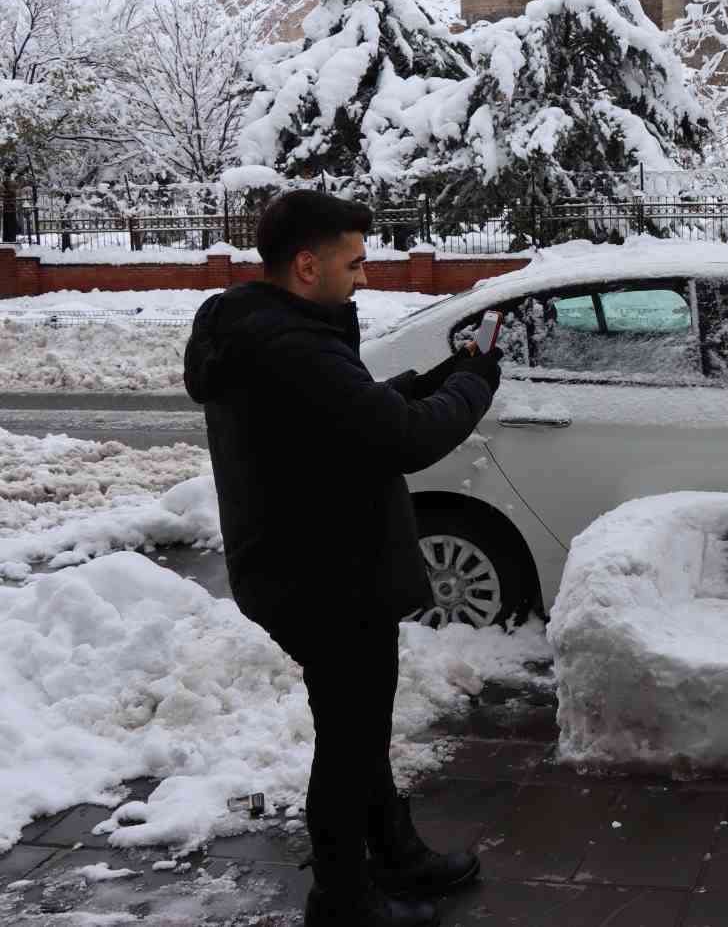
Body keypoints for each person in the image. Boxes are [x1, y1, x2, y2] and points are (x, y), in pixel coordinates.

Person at [183, 190, 503, 927]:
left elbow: (347, 414)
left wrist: (429, 381)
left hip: (299, 565)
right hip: (328, 577)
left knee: (356, 726)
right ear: (306, 264)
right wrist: (473, 384)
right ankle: (343, 899)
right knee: (349, 740)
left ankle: (393, 852)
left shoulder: (258, 329)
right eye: (354, 263)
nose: (363, 277)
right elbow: (404, 440)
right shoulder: (296, 346)